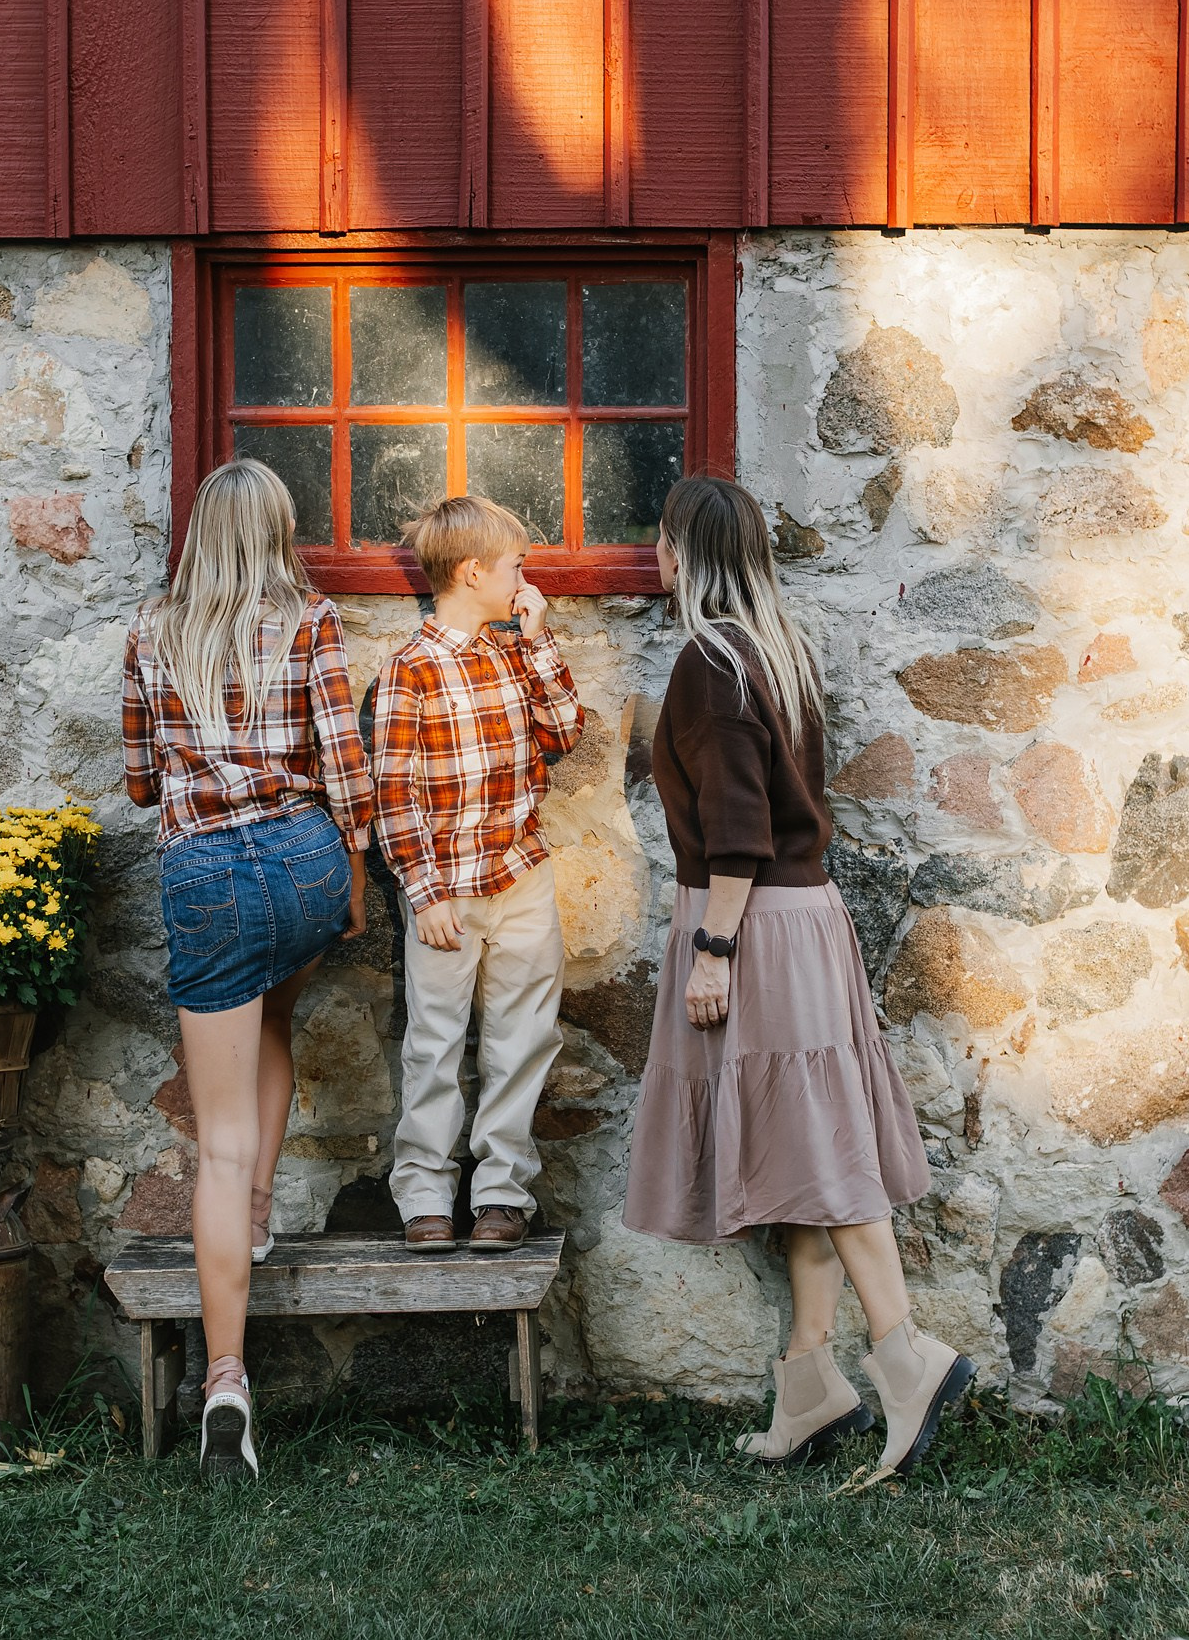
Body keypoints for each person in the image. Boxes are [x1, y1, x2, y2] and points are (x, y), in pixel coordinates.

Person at [623, 475, 973, 1476]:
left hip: (754, 925)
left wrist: (713, 951)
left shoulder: (707, 663)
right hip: (802, 920)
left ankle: (905, 1358)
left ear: (684, 555)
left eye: (660, 541)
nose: (653, 558)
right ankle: (809, 1390)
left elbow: (736, 833)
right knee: (799, 1153)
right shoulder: (773, 651)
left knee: (816, 1152)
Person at [121, 457, 373, 1483]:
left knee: (215, 1144)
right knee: (273, 1011)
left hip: (209, 876)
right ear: (277, 529)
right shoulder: (310, 620)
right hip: (306, 859)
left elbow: (142, 784)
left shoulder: (151, 628)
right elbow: (344, 773)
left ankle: (227, 1378)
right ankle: (263, 1206)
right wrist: (350, 885)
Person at [372, 495, 584, 1255]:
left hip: (519, 873)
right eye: (515, 566)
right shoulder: (409, 669)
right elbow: (394, 792)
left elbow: (562, 731)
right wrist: (422, 892)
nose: (524, 576)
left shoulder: (508, 652)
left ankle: (501, 1191)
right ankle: (425, 1191)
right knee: (433, 1040)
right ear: (472, 572)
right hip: (446, 891)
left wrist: (537, 640)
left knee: (522, 1036)